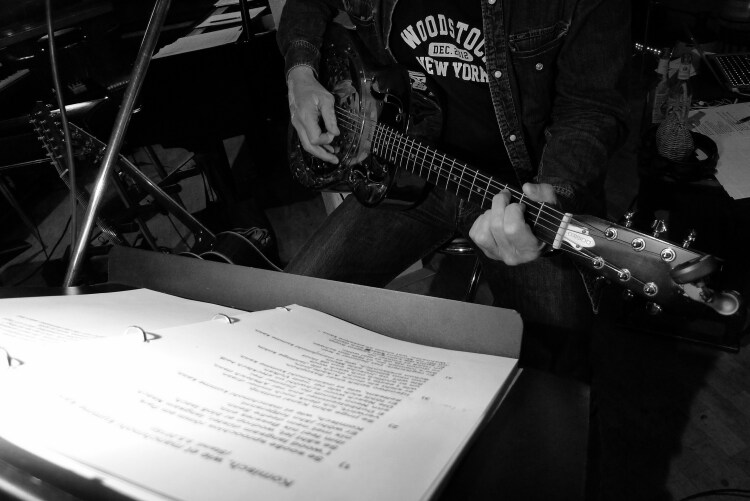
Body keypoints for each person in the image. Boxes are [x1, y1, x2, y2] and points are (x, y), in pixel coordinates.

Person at [276, 0, 630, 379]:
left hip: (512, 193)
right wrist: (300, 74)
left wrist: (556, 189)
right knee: (289, 319)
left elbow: (590, 109)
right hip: (405, 163)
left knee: (558, 379)